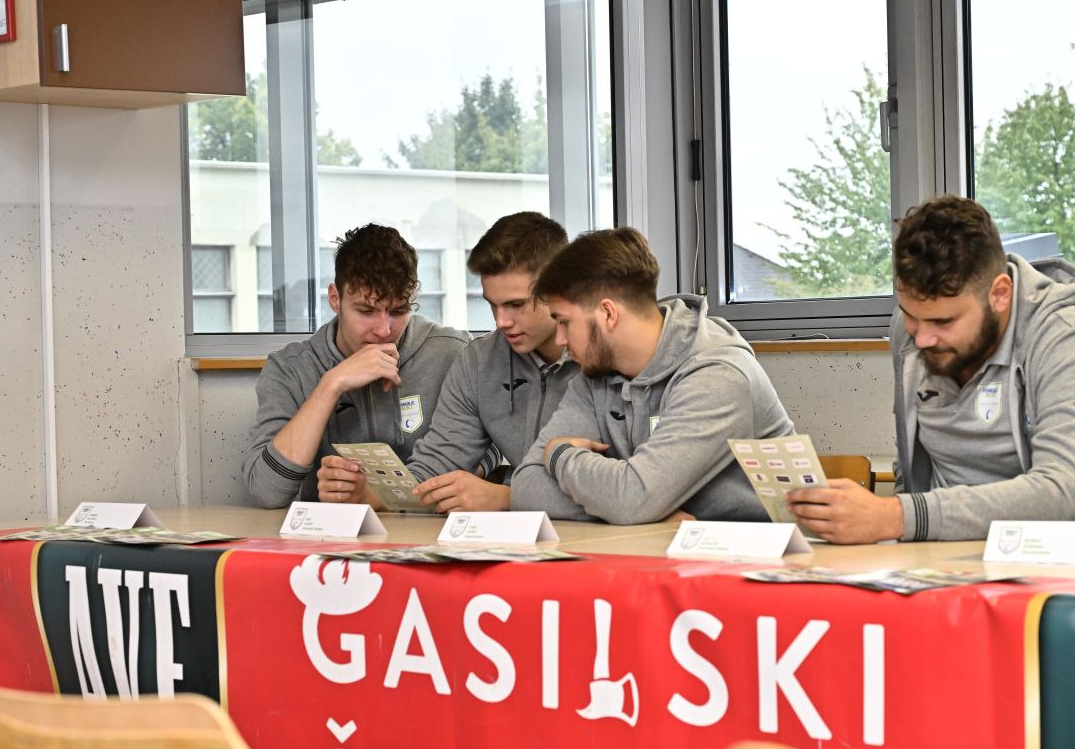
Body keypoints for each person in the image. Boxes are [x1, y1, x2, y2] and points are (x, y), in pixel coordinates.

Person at [788, 194, 1075, 542]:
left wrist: (897, 516)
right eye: (911, 316)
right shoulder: (911, 329)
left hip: (1055, 555)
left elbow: (1064, 494)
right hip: (937, 553)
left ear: (1000, 294)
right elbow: (911, 470)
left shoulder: (1074, 339)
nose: (922, 339)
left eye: (944, 322)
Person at [509, 227, 795, 524]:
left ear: (608, 314)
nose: (560, 340)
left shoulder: (718, 375)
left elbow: (632, 500)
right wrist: (641, 510)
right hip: (658, 544)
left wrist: (560, 454)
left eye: (565, 322)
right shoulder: (593, 377)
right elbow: (526, 488)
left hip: (756, 549)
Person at [243, 224, 469, 508]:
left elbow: (483, 454)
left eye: (399, 310)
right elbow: (266, 492)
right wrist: (331, 384)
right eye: (366, 311)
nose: (384, 330)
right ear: (335, 298)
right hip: (332, 530)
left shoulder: (452, 352)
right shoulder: (289, 369)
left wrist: (376, 496)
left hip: (430, 528)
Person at [406, 212, 579, 512]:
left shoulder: (604, 358)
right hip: (523, 532)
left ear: (560, 289)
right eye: (492, 305)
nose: (501, 322)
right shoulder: (478, 361)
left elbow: (624, 489)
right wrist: (375, 494)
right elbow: (437, 467)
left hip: (608, 535)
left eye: (515, 304)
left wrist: (506, 498)